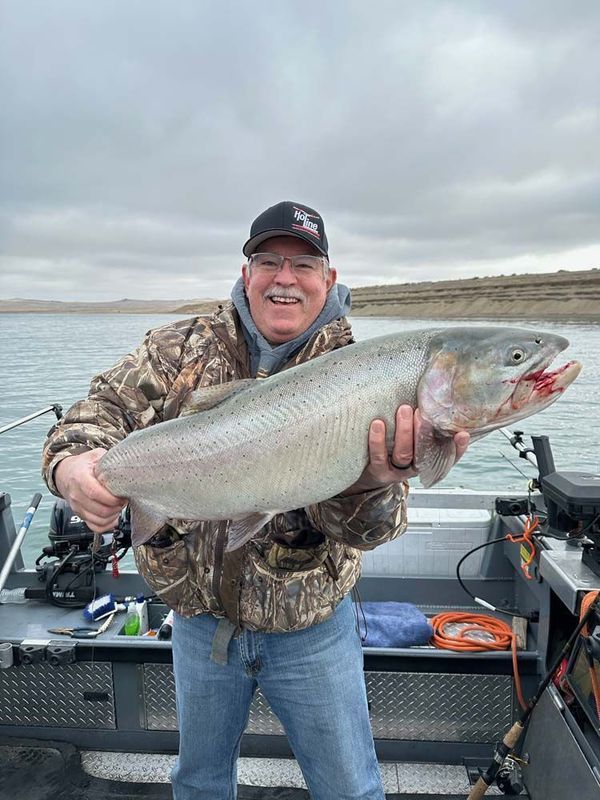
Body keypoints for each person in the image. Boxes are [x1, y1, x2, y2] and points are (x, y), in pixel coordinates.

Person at [42, 201, 469, 800]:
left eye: (304, 264)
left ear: (330, 279)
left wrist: (372, 481)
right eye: (268, 260)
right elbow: (96, 414)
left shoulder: (373, 375)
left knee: (350, 789)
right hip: (197, 624)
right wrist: (72, 468)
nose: (285, 278)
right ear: (247, 274)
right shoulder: (177, 349)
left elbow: (371, 532)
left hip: (312, 630)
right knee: (198, 784)